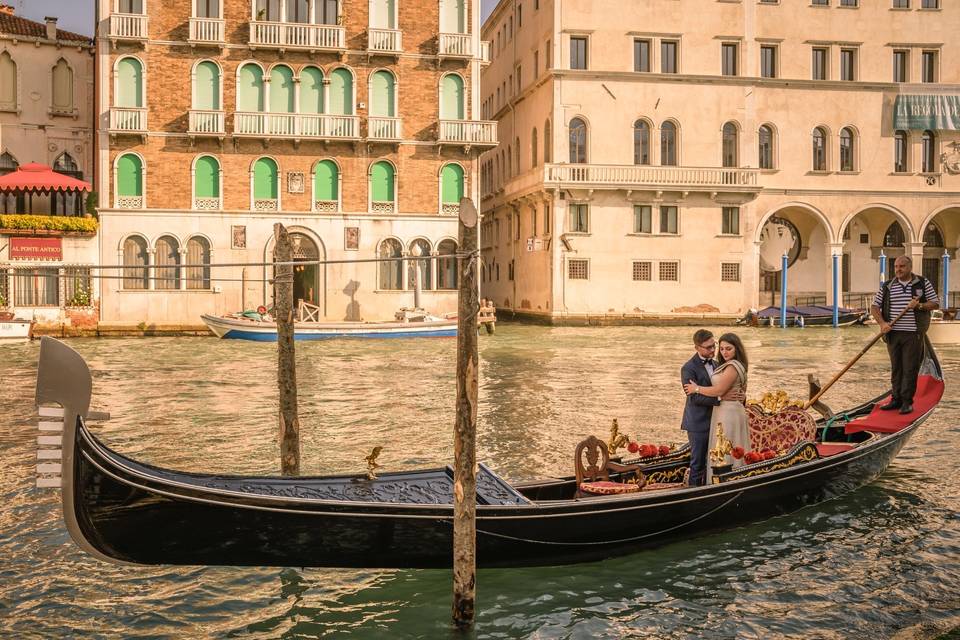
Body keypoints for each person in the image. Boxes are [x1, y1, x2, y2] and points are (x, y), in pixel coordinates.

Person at [870, 255, 939, 415]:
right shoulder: (888, 286)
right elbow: (874, 307)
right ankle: (895, 399)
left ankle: (907, 402)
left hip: (913, 334)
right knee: (896, 368)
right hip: (893, 333)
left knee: (910, 368)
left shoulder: (922, 283)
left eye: (902, 266)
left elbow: (935, 303)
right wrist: (882, 324)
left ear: (909, 267)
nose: (898, 270)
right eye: (896, 266)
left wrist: (919, 305)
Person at [683, 333, 751, 484]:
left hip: (723, 417)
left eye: (714, 346)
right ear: (697, 348)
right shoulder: (688, 368)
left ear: (736, 349)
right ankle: (695, 496)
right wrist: (720, 397)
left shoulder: (721, 365)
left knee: (722, 455)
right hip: (699, 422)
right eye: (711, 348)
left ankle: (721, 486)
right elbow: (694, 397)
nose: (717, 351)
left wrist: (741, 397)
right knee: (698, 463)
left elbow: (730, 389)